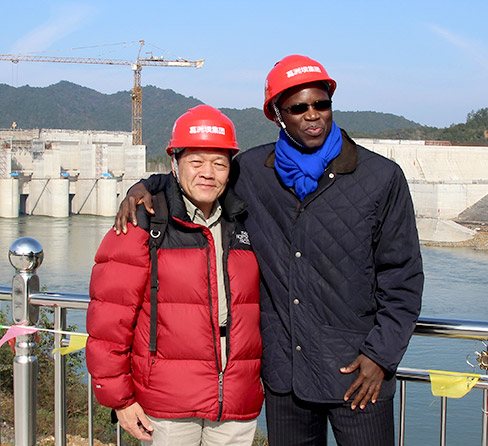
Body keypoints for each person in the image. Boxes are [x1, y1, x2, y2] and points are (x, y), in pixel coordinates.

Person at [115, 55, 424, 446]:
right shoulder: (254, 172)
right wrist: (148, 185)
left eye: (321, 104)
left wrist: (380, 357)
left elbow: (403, 278)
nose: (313, 116)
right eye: (298, 108)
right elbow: (202, 176)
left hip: (358, 375)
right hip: (285, 375)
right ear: (278, 114)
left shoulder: (380, 178)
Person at [86, 105, 264, 446]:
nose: (208, 173)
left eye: (219, 163)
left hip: (236, 403)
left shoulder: (246, 220)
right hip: (167, 405)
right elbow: (108, 322)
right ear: (174, 163)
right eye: (196, 162)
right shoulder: (143, 222)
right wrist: (119, 399)